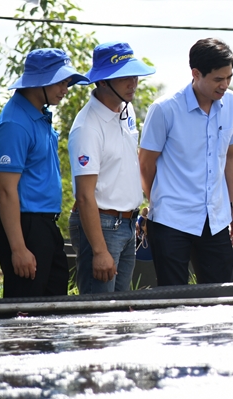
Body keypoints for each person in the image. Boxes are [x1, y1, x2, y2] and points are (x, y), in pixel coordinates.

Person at [139, 38, 233, 286]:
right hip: (171, 220)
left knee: (221, 297)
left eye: (229, 77)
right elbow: (145, 163)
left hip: (216, 219)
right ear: (196, 74)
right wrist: (159, 200)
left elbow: (230, 156)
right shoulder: (165, 109)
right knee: (174, 300)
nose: (225, 85)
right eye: (218, 79)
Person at [0, 48, 88, 298]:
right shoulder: (15, 123)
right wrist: (19, 248)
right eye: (61, 82)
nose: (66, 89)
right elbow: (5, 189)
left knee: (52, 306)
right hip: (24, 224)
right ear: (40, 81)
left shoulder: (39, 116)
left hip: (44, 224)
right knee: (26, 312)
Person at [68, 42, 156, 294]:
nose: (133, 82)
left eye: (135, 75)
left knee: (118, 313)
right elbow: (84, 196)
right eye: (124, 77)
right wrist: (99, 250)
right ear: (103, 82)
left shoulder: (126, 111)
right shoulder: (87, 127)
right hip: (102, 225)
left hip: (128, 224)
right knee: (98, 315)